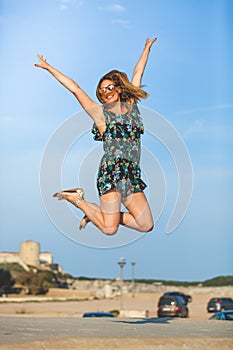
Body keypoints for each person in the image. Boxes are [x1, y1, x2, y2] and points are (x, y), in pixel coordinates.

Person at [35, 38, 157, 235]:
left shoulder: (132, 106)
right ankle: (77, 199)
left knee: (145, 224)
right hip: (111, 172)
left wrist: (146, 49)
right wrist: (49, 68)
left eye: (109, 87)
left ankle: (95, 212)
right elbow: (76, 89)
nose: (105, 92)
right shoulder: (101, 115)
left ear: (119, 88)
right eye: (102, 90)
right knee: (109, 229)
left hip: (131, 174)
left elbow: (138, 73)